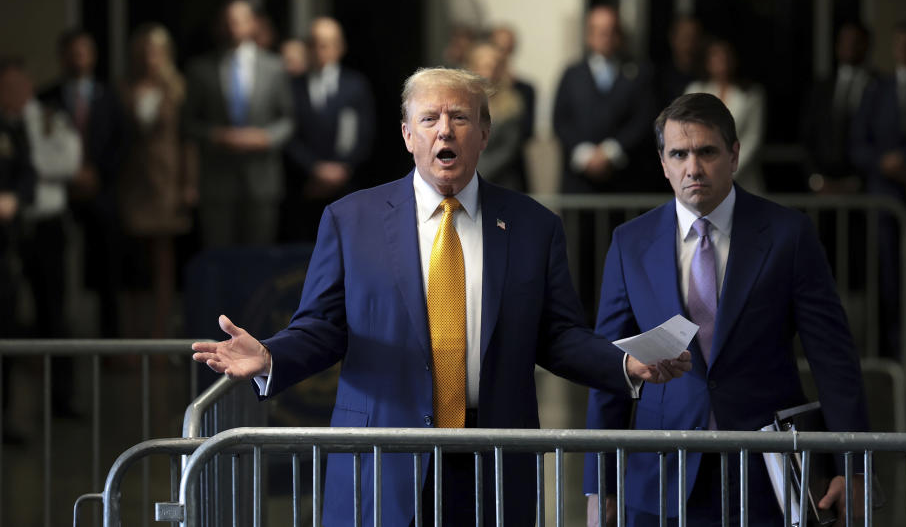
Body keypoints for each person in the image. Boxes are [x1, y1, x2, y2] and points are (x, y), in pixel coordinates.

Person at [193, 67, 691, 527]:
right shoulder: (351, 220)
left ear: (485, 133)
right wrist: (271, 356)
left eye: (459, 117)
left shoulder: (534, 226)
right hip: (382, 458)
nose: (444, 131)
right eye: (429, 118)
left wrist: (624, 366)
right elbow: (322, 327)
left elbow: (558, 335)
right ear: (408, 135)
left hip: (493, 458)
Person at [584, 93, 869, 526]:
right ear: (663, 162)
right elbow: (610, 369)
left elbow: (833, 359)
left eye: (707, 152)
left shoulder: (788, 235)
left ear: (734, 155)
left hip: (766, 472)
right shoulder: (630, 243)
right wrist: (599, 483)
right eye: (678, 154)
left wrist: (853, 468)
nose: (692, 168)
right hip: (661, 475)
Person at [182, 0, 294, 249]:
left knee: (259, 257)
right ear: (220, 26)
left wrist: (266, 138)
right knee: (219, 256)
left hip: (262, 178)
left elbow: (288, 119)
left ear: (253, 24)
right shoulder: (200, 69)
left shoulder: (274, 66)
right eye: (228, 21)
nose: (234, 27)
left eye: (241, 20)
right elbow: (187, 122)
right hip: (217, 180)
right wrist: (215, 135)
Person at [40, 29, 126, 337]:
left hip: (100, 192)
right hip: (58, 195)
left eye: (84, 51)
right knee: (53, 272)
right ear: (62, 56)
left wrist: (98, 175)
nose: (78, 58)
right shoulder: (46, 97)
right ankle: (53, 338)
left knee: (107, 273)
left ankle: (110, 341)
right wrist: (68, 175)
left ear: (93, 56)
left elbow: (120, 143)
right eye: (72, 52)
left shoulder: (110, 96)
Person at [8, 58, 81, 413]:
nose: (12, 94)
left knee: (54, 312)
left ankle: (62, 400)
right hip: (8, 230)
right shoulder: (5, 126)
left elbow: (68, 163)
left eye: (17, 86)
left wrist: (29, 170)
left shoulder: (50, 118)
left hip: (46, 225)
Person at [117, 24, 196, 337]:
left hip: (167, 182)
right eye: (146, 52)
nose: (151, 58)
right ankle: (133, 338)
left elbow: (188, 141)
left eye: (157, 52)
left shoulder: (178, 90)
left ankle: (160, 336)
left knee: (164, 263)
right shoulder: (124, 88)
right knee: (135, 267)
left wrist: (189, 183)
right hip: (133, 183)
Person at [848, 21, 906, 358]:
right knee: (889, 277)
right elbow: (858, 144)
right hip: (886, 196)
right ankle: (893, 350)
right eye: (901, 43)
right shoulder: (880, 89)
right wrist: (882, 163)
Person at [282, 16, 376, 241]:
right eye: (314, 43)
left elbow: (365, 134)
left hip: (347, 186)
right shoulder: (291, 87)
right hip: (304, 186)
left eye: (327, 43)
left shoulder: (356, 86)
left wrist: (341, 170)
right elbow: (288, 134)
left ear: (340, 47)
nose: (320, 49)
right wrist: (314, 169)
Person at [552, 4, 659, 194]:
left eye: (611, 30)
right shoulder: (572, 74)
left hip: (625, 183)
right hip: (579, 185)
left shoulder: (640, 73)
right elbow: (560, 120)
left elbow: (644, 118)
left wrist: (611, 151)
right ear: (589, 35)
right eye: (600, 31)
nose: (606, 36)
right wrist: (584, 155)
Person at [0, 57, 37, 441]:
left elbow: (28, 176)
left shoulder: (17, 127)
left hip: (5, 246)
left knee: (7, 329)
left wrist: (14, 199)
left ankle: (5, 415)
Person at [803, 21, 877, 194]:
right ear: (837, 45)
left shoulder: (878, 86)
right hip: (823, 187)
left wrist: (859, 182)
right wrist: (816, 179)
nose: (850, 46)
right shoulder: (821, 88)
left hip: (865, 191)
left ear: (866, 45)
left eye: (856, 41)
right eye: (845, 40)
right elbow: (808, 136)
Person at [685, 39, 765, 193]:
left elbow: (753, 139)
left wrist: (728, 171)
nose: (721, 61)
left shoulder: (751, 94)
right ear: (707, 62)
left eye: (725, 56)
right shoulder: (694, 90)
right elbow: (686, 133)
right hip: (701, 178)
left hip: (742, 179)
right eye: (716, 57)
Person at [465, 41, 528, 192]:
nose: (489, 73)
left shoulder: (512, 104)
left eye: (494, 67)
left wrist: (473, 174)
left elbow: (506, 151)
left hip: (499, 185)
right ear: (473, 68)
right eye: (484, 66)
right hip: (463, 184)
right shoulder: (460, 101)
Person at [656, 14, 704, 110]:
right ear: (673, 39)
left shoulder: (706, 77)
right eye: (685, 38)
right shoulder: (658, 79)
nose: (690, 45)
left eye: (694, 38)